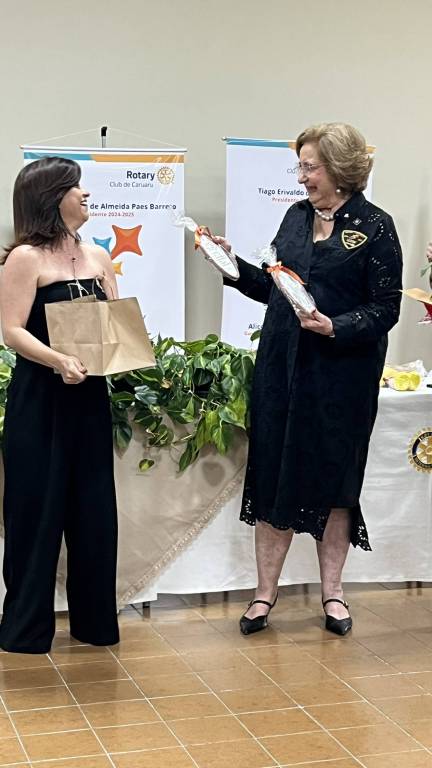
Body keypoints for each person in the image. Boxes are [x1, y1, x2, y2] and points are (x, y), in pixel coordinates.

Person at [218, 123, 403, 636]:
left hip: (341, 379)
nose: (301, 177)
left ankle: (333, 595)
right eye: (299, 166)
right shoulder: (295, 217)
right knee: (272, 476)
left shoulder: (377, 226)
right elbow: (275, 287)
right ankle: (264, 595)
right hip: (281, 370)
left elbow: (385, 308)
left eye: (310, 167)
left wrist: (335, 326)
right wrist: (231, 265)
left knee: (336, 486)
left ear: (339, 169)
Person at [0, 156, 120, 653]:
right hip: (40, 400)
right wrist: (58, 360)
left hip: (89, 399)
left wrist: (124, 346)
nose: (85, 194)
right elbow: (10, 330)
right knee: (35, 512)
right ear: (53, 197)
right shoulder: (25, 258)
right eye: (76, 186)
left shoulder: (98, 255)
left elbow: (112, 321)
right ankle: (26, 629)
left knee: (94, 513)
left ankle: (95, 624)